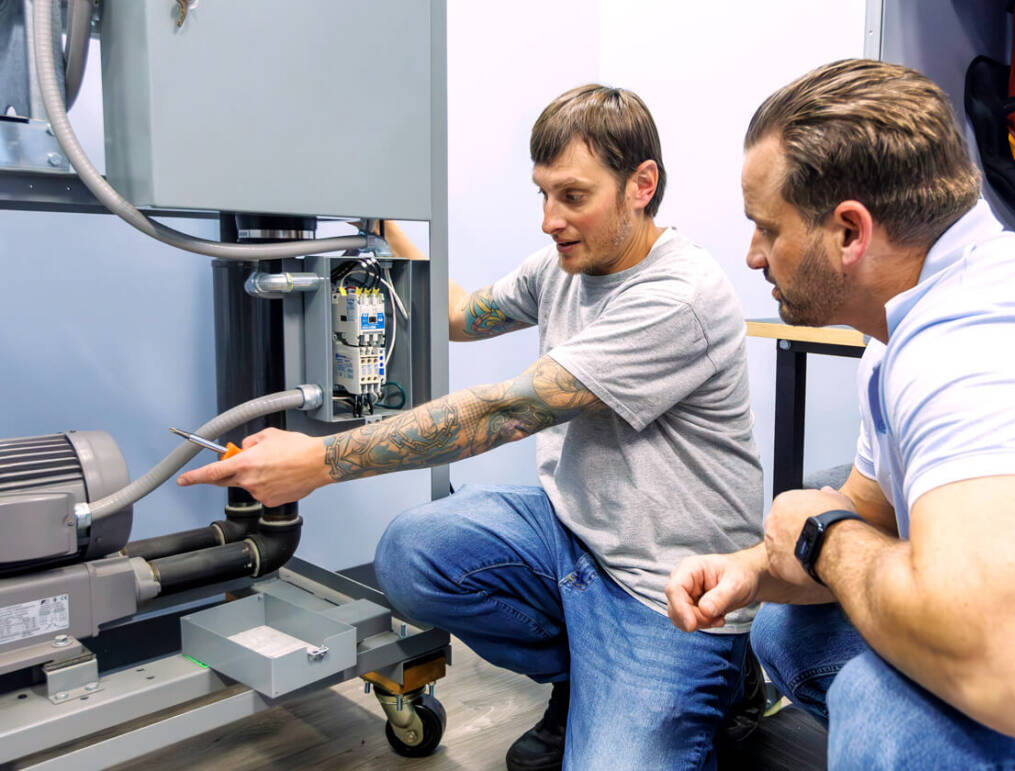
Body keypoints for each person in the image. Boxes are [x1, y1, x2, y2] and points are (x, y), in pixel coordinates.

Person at [180, 84, 764, 769]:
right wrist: (380, 224)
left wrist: (319, 460)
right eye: (542, 193)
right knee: (414, 553)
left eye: (573, 196)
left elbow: (501, 413)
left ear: (642, 185)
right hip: (574, 535)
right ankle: (583, 675)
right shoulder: (563, 265)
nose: (549, 219)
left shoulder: (678, 296)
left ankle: (726, 675)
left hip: (667, 583)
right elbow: (458, 314)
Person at [665, 58, 1015, 769]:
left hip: (1009, 662)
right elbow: (872, 511)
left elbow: (1001, 663)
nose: (753, 255)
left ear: (848, 233)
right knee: (786, 628)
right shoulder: (905, 323)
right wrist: (751, 566)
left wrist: (822, 538)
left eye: (767, 228)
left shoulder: (971, 337)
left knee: (881, 707)